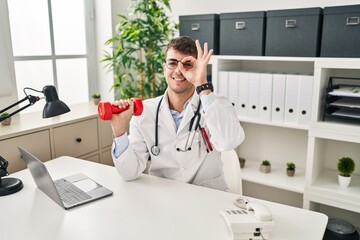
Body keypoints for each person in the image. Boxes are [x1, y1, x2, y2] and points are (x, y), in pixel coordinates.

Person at [110, 36, 245, 191]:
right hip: (164, 199)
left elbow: (229, 142)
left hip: (208, 199)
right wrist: (119, 130)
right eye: (172, 63)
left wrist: (202, 84)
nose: (179, 71)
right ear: (164, 68)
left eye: (187, 64)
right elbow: (128, 173)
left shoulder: (216, 104)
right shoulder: (145, 112)